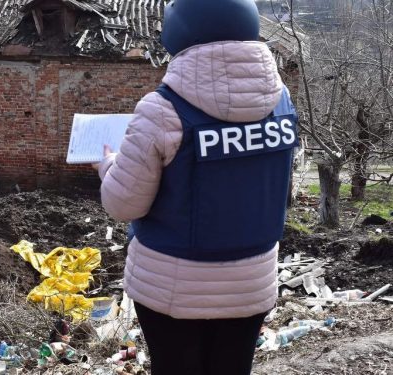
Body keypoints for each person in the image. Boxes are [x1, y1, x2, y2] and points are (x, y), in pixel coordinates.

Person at [94, 0, 298, 374]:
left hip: (174, 287)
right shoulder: (281, 102)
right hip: (250, 284)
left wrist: (107, 164)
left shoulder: (161, 110)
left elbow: (124, 205)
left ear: (178, 34)